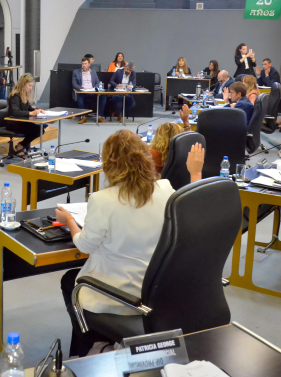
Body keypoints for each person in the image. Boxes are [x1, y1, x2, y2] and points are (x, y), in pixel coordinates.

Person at [55, 130, 205, 357]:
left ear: (109, 163)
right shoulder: (165, 190)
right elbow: (193, 211)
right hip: (157, 291)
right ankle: (98, 343)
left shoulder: (101, 200)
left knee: (71, 281)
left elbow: (84, 245)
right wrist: (196, 173)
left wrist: (69, 221)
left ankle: (93, 346)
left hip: (120, 295)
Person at [6, 74, 45, 155]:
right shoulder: (15, 96)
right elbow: (16, 112)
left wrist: (37, 110)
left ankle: (24, 146)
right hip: (13, 123)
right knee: (38, 130)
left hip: (21, 122)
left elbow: (29, 108)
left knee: (42, 127)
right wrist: (31, 113)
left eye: (31, 86)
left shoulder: (24, 95)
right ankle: (21, 146)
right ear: (23, 84)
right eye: (29, 85)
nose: (31, 88)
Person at [149, 107, 190, 176]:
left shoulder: (151, 154)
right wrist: (186, 122)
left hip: (157, 181)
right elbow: (189, 142)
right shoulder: (183, 154)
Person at [72, 57, 106, 124]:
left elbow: (97, 82)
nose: (84, 65)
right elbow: (74, 84)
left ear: (89, 64)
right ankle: (83, 117)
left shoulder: (93, 72)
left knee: (103, 97)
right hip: (83, 92)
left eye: (85, 63)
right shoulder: (76, 72)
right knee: (80, 97)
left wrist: (95, 88)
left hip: (93, 92)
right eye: (82, 64)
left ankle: (99, 117)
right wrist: (81, 88)